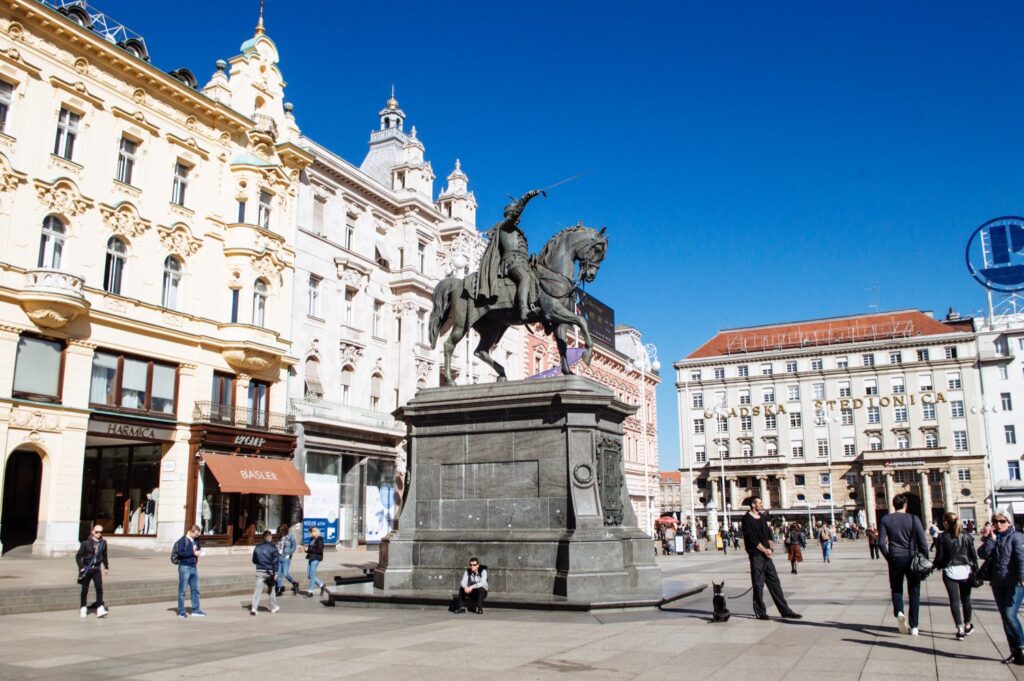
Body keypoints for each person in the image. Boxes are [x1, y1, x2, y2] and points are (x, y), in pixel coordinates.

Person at [473, 188, 545, 319]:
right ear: (509, 215)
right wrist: (526, 197)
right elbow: (515, 215)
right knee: (525, 277)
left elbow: (521, 252)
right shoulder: (504, 227)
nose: (519, 219)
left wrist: (532, 258)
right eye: (516, 216)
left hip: (522, 262)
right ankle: (523, 310)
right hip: (511, 262)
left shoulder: (519, 232)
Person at [741, 497, 802, 621]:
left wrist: (770, 547)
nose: (762, 505)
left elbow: (769, 534)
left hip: (767, 556)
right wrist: (764, 549)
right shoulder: (746, 519)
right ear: (753, 505)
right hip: (756, 555)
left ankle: (785, 611)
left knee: (775, 583)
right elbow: (751, 539)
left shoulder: (763, 517)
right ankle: (760, 611)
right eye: (759, 503)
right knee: (758, 585)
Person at [878, 494, 929, 636]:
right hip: (912, 558)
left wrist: (889, 557)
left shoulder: (886, 519)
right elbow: (923, 542)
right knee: (914, 591)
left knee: (896, 588)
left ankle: (899, 611)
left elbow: (881, 543)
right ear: (905, 505)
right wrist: (925, 559)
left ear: (893, 505)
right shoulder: (914, 519)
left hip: (895, 558)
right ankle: (914, 626)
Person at [979, 510, 1024, 665]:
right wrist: (990, 540)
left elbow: (1021, 558)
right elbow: (983, 554)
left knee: (1010, 615)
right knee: (1005, 618)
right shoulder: (995, 538)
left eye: (1002, 521)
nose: (998, 524)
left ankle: (1022, 646)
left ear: (1009, 522)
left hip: (1015, 583)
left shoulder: (1016, 537)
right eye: (996, 521)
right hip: (998, 583)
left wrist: (1023, 578)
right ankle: (1015, 652)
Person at [933, 512, 976, 641]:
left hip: (950, 571)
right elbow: (972, 555)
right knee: (966, 599)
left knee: (954, 601)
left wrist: (934, 566)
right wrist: (975, 569)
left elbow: (939, 556)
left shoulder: (942, 537)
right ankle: (968, 624)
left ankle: (960, 629)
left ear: (945, 522)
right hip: (965, 570)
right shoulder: (967, 536)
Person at [172, 525, 206, 618]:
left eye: (198, 535)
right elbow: (180, 553)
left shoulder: (196, 540)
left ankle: (196, 609)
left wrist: (199, 552)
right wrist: (193, 553)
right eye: (196, 534)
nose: (197, 536)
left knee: (195, 589)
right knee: (182, 590)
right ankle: (181, 611)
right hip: (185, 567)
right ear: (192, 531)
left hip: (194, 567)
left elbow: (197, 549)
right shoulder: (183, 540)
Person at [76, 525, 109, 618]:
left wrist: (106, 567)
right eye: (97, 532)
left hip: (96, 569)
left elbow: (105, 556)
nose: (99, 534)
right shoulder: (85, 543)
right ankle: (83, 607)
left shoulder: (103, 543)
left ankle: (99, 608)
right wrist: (81, 567)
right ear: (92, 532)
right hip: (87, 569)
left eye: (101, 532)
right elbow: (78, 556)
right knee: (84, 589)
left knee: (99, 588)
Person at [250, 530, 280, 615]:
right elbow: (276, 561)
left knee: (258, 590)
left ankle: (254, 608)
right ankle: (273, 607)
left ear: (263, 537)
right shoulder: (273, 547)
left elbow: (254, 560)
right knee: (272, 589)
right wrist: (276, 572)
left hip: (260, 571)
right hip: (270, 572)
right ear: (270, 537)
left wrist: (259, 564)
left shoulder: (257, 547)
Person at [275, 524, 299, 596]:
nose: (280, 533)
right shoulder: (280, 538)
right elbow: (278, 546)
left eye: (281, 531)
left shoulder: (291, 537)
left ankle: (294, 583)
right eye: (279, 532)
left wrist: (289, 554)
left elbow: (294, 546)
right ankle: (279, 589)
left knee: (285, 574)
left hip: (286, 558)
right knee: (279, 574)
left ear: (284, 531)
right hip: (279, 557)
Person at [303, 526, 325, 597]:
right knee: (309, 575)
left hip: (316, 559)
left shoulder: (320, 540)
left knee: (312, 575)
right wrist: (307, 550)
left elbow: (319, 550)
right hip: (311, 558)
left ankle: (311, 591)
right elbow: (310, 549)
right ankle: (321, 585)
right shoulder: (312, 539)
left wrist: (309, 550)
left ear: (315, 532)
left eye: (311, 532)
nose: (310, 534)